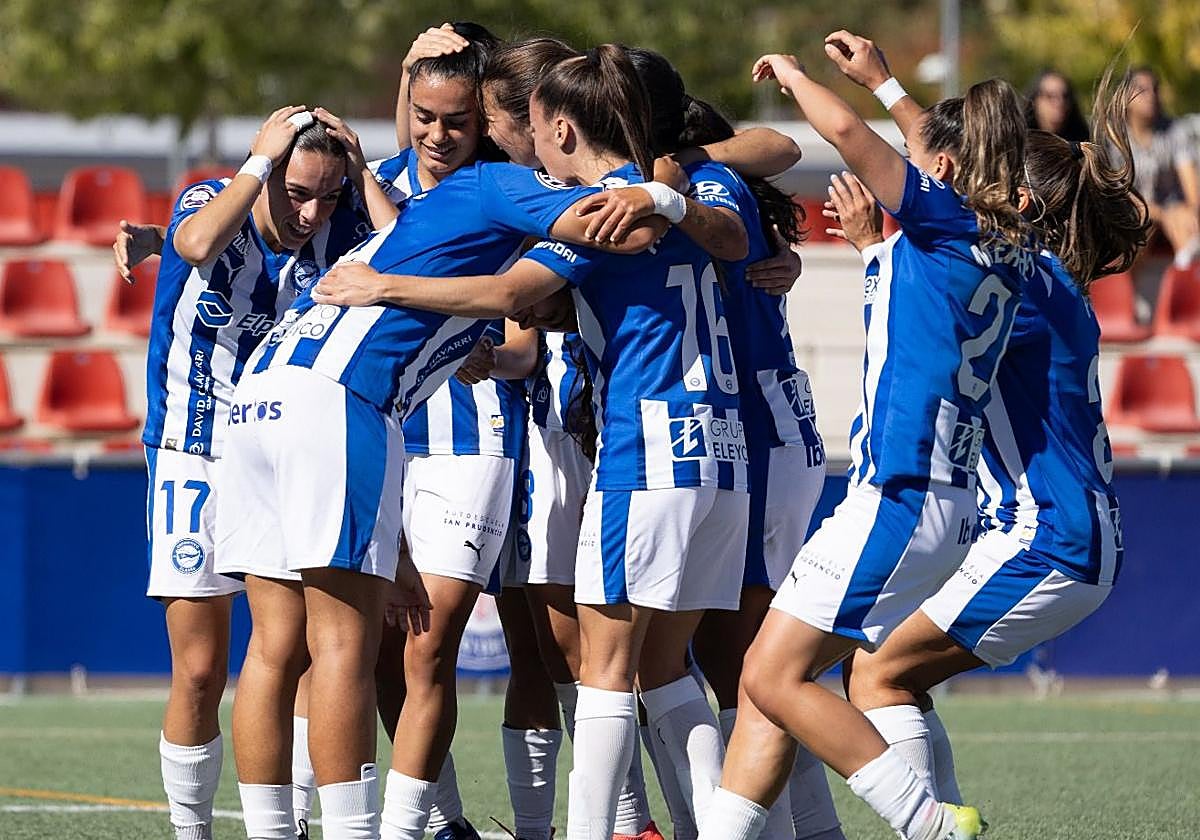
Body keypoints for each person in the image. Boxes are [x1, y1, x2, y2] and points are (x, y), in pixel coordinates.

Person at [218, 58, 672, 839]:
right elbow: (610, 225)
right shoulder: (502, 184)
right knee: (343, 651)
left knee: (272, 648)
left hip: (259, 400)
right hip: (342, 400)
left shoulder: (422, 212)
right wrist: (662, 189)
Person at [311, 44, 755, 840]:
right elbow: (740, 231)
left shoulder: (594, 209)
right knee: (663, 669)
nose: (478, 136)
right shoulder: (692, 188)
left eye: (491, 122)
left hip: (643, 450)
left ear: (553, 126)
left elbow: (516, 292)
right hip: (721, 448)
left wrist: (384, 287)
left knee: (607, 667)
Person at [697, 32, 1035, 840]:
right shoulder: (996, 241)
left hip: (901, 497)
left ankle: (929, 825)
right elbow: (918, 148)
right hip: (936, 501)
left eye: (929, 159)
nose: (914, 163)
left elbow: (852, 141)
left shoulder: (944, 220)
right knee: (770, 685)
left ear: (946, 172)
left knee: (771, 676)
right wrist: (884, 82)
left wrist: (792, 75)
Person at [836, 60, 1149, 807]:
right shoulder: (1044, 278)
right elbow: (943, 184)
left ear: (1023, 199)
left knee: (876, 672)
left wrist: (873, 253)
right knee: (891, 672)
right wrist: (884, 82)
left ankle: (936, 829)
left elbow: (929, 208)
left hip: (1051, 537)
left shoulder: (1021, 280)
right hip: (1062, 533)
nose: (972, 180)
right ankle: (943, 825)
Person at [139, 106, 375, 840]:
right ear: (269, 170)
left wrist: (362, 173)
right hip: (192, 449)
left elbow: (404, 248)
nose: (312, 212)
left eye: (328, 195)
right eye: (299, 190)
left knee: (298, 645)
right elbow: (195, 242)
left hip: (280, 449)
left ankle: (291, 821)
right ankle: (192, 830)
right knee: (202, 667)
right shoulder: (214, 198)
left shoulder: (341, 232)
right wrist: (256, 162)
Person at [1125, 66, 1200, 265]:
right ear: (1124, 97)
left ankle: (1188, 275)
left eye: (1155, 88)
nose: (1151, 95)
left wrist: (1189, 212)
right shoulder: (1115, 137)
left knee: (1184, 218)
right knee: (1139, 225)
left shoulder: (1175, 130)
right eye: (1142, 89)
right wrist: (1161, 214)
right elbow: (1121, 193)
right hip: (1136, 212)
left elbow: (1190, 184)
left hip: (1174, 212)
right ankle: (1126, 294)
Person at [1024, 70, 1089, 142]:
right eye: (1050, 96)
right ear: (1035, 101)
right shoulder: (1020, 143)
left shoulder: (1083, 144)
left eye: (1065, 96)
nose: (1059, 102)